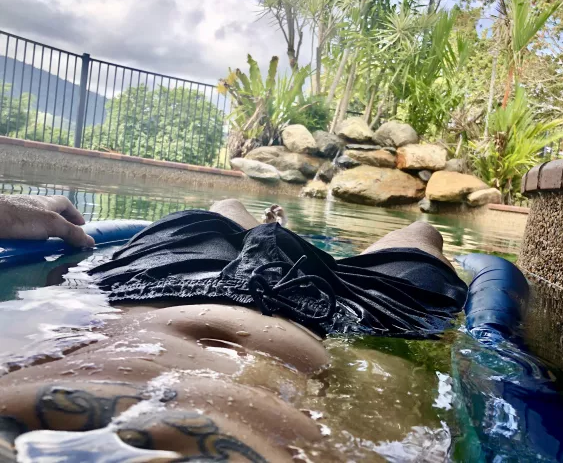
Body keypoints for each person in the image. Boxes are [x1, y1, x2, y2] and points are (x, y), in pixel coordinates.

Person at [0, 195, 466, 462]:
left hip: (152, 285)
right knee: (421, 235)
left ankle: (268, 225)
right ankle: (280, 231)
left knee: (224, 209)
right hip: (361, 329)